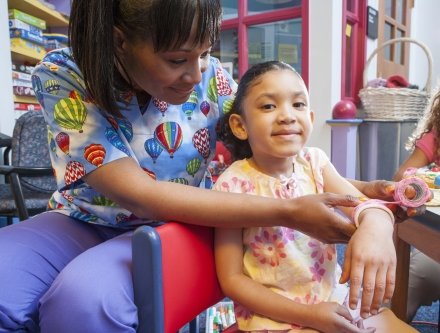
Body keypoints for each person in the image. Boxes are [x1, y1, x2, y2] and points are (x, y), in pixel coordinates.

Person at [0, 1, 412, 332]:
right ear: (119, 41)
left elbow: (276, 157)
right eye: (178, 59)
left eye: (206, 53)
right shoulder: (63, 74)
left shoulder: (212, 78)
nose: (196, 74)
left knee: (82, 303)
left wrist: (369, 205)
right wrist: (290, 211)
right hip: (82, 217)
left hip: (181, 223)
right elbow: (141, 194)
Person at [214, 61, 417, 332]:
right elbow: (232, 279)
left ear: (310, 118)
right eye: (268, 106)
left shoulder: (315, 162)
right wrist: (308, 315)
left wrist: (375, 224)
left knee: (395, 326)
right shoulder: (231, 185)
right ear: (240, 125)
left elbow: (362, 206)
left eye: (297, 105)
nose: (287, 115)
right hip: (274, 318)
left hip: (334, 301)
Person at [394, 90, 440, 321]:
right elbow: (401, 176)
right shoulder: (436, 136)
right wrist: (424, 179)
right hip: (436, 240)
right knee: (417, 275)